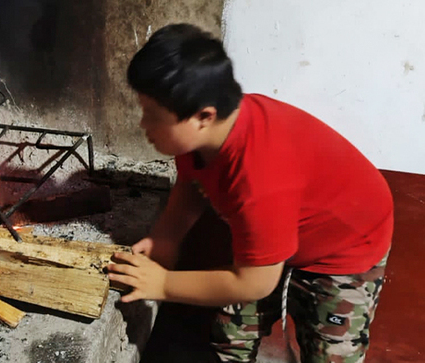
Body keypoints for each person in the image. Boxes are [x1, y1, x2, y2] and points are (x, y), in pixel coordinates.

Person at [106, 23, 393, 363]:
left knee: (329, 353)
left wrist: (164, 284)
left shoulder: (261, 178)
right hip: (278, 230)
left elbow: (254, 285)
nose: (143, 125)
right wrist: (167, 236)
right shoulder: (201, 136)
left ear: (203, 116)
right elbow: (191, 182)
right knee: (230, 334)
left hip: (344, 248)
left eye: (152, 115)